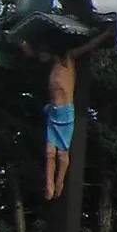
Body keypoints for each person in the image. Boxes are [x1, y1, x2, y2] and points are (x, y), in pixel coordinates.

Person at [44, 52, 77, 201]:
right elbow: (37, 54)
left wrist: (105, 35)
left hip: (65, 113)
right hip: (53, 111)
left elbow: (86, 47)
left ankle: (59, 182)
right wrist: (23, 45)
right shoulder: (53, 65)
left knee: (62, 154)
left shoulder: (68, 60)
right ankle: (49, 185)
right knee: (49, 153)